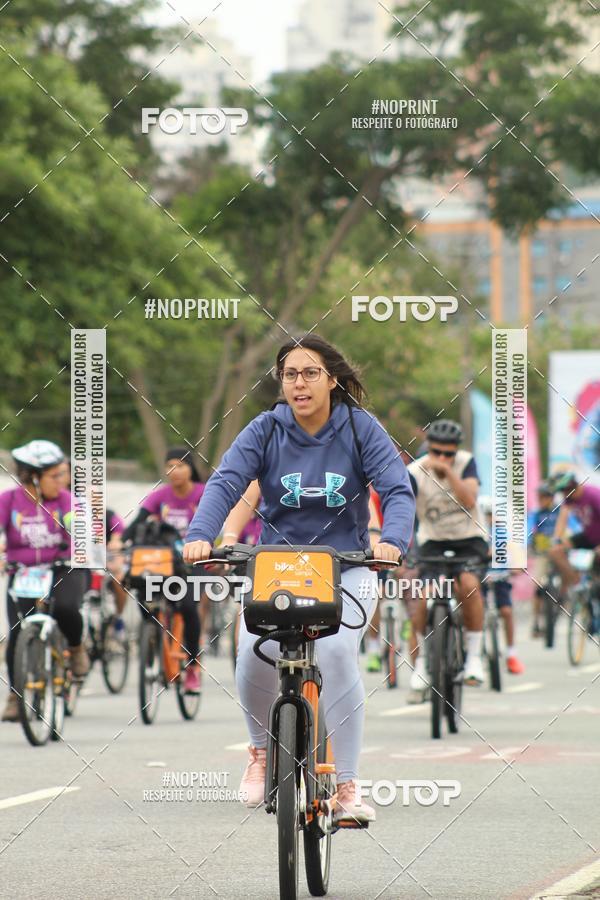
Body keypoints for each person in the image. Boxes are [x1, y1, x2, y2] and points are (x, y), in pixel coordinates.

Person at [183, 335, 415, 823]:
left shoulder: (358, 428)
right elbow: (226, 481)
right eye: (290, 374)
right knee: (252, 650)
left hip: (347, 567)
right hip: (277, 569)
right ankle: (261, 753)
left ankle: (347, 785)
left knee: (333, 651)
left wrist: (392, 539)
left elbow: (396, 488)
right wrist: (202, 533)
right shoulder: (266, 429)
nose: (299, 383)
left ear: (331, 379)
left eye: (310, 373)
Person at [0, 440, 90, 722]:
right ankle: (16, 696)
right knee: (17, 632)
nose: (62, 481)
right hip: (23, 573)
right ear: (34, 477)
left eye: (64, 473)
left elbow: (84, 533)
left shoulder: (68, 501)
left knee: (65, 609)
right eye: (56, 475)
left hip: (64, 569)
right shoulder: (9, 501)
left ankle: (75, 650)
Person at [406, 418, 487, 696]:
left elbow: (470, 500)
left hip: (469, 538)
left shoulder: (466, 463)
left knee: (468, 585)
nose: (442, 458)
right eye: (436, 452)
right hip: (433, 541)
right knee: (423, 593)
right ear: (427, 448)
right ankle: (423, 664)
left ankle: (474, 657)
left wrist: (448, 472)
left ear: (456, 452)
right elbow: (403, 510)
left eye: (448, 454)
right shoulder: (414, 472)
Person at [123, 447, 205, 693]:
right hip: (164, 560)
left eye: (180, 465)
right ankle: (154, 638)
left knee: (189, 606)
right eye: (170, 465)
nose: (175, 471)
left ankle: (192, 665)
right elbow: (138, 520)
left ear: (191, 468)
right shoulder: (160, 496)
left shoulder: (203, 494)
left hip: (194, 561)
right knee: (143, 592)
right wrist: (119, 540)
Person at [479, 497, 525, 674]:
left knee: (506, 611)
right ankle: (473, 651)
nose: (488, 519)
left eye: (490, 515)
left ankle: (512, 654)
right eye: (485, 515)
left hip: (500, 577)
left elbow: (514, 550)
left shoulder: (502, 532)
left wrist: (517, 566)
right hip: (480, 578)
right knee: (474, 609)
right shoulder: (475, 533)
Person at [549, 471, 600, 593]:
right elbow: (562, 519)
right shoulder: (569, 499)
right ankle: (577, 583)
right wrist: (556, 539)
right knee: (555, 551)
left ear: (573, 487)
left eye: (565, 491)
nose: (564, 495)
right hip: (588, 536)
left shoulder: (593, 494)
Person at [529, 481, 559, 636]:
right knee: (538, 586)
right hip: (542, 553)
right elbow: (528, 530)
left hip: (559, 552)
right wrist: (529, 544)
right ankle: (536, 622)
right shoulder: (536, 513)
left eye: (544, 496)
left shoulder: (560, 510)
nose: (541, 499)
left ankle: (565, 601)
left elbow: (573, 527)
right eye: (539, 496)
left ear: (551, 497)